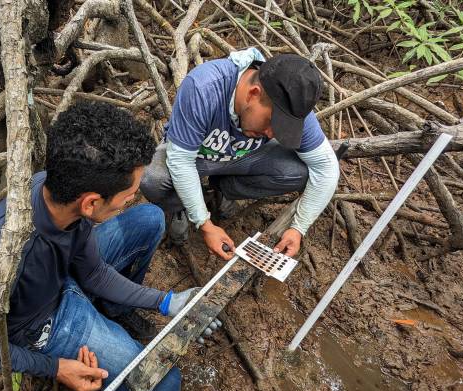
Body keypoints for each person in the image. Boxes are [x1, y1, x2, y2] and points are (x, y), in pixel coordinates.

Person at [0, 102, 194, 391]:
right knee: (165, 384)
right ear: (91, 203)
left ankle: (114, 310)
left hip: (65, 275)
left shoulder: (57, 188)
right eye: (128, 195)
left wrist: (166, 302)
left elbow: (94, 273)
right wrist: (55, 367)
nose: (130, 201)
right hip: (41, 322)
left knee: (150, 218)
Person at [141, 49, 340, 260]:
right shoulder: (204, 88)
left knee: (299, 172)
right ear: (253, 94)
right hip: (196, 157)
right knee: (152, 177)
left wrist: (298, 228)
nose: (273, 134)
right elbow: (181, 161)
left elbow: (326, 167)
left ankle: (223, 188)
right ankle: (179, 205)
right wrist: (204, 224)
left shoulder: (291, 106)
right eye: (272, 123)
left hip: (243, 158)